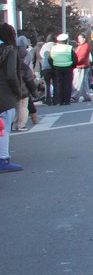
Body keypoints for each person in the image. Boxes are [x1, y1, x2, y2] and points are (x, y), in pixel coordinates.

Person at [0, 23, 24, 172]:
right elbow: (11, 75)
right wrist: (18, 92)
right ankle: (3, 159)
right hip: (5, 96)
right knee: (3, 130)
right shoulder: (10, 51)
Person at [12, 36, 39, 131]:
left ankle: (15, 124)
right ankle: (21, 124)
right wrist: (35, 93)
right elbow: (29, 79)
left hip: (13, 86)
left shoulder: (11, 56)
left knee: (16, 107)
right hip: (23, 87)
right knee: (23, 106)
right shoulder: (24, 64)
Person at [49, 33, 78, 105]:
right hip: (68, 68)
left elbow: (49, 59)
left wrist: (54, 66)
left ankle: (60, 100)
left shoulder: (54, 48)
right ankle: (67, 100)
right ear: (66, 41)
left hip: (57, 68)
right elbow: (75, 59)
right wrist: (73, 66)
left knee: (59, 84)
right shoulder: (69, 48)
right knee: (67, 84)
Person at [71, 33, 93, 103]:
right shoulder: (81, 46)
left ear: (84, 39)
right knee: (84, 82)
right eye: (78, 39)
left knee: (77, 82)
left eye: (80, 38)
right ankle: (87, 96)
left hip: (81, 65)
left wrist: (75, 62)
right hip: (81, 65)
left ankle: (75, 96)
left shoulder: (85, 46)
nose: (79, 40)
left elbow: (82, 57)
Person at [38, 33, 56, 105]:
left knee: (47, 84)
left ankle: (48, 100)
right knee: (55, 84)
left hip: (45, 67)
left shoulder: (44, 46)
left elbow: (41, 55)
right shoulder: (55, 46)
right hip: (54, 66)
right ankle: (56, 99)